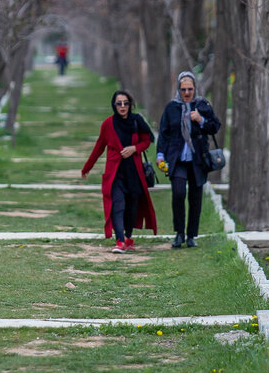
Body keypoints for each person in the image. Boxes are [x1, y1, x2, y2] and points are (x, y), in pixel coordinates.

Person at [81, 91, 158, 253]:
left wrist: (134, 149)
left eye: (125, 103)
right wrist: (87, 167)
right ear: (114, 105)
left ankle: (128, 236)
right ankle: (120, 240)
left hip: (134, 173)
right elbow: (99, 147)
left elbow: (148, 140)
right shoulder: (108, 124)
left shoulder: (137, 121)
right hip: (115, 174)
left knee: (132, 207)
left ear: (130, 104)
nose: (122, 106)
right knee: (118, 205)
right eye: (119, 103)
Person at [156, 72, 221, 249]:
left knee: (195, 198)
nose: (186, 92)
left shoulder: (202, 105)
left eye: (190, 89)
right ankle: (179, 233)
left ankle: (192, 235)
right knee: (178, 193)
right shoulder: (171, 108)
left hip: (197, 160)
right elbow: (164, 133)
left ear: (195, 89)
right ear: (178, 89)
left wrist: (201, 120)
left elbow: (215, 126)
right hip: (177, 160)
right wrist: (160, 155)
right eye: (183, 89)